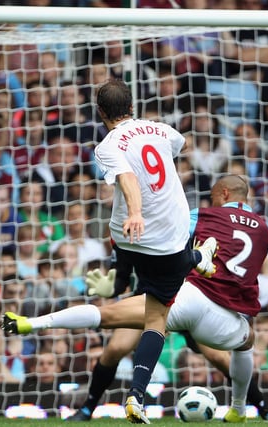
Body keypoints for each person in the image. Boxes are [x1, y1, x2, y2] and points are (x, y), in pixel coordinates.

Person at [4, 175, 268, 423]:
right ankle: (88, 408)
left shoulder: (190, 217)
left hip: (180, 294)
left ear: (224, 194)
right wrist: (115, 284)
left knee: (215, 358)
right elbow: (123, 274)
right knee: (115, 349)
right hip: (206, 305)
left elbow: (158, 245)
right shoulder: (264, 228)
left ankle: (259, 405)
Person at [92, 79, 217, 424]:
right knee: (156, 320)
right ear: (131, 107)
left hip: (128, 238)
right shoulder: (161, 130)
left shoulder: (106, 146)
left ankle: (118, 284)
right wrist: (138, 210)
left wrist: (133, 213)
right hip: (168, 240)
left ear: (100, 112)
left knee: (124, 256)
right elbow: (179, 144)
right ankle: (136, 395)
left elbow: (128, 177)